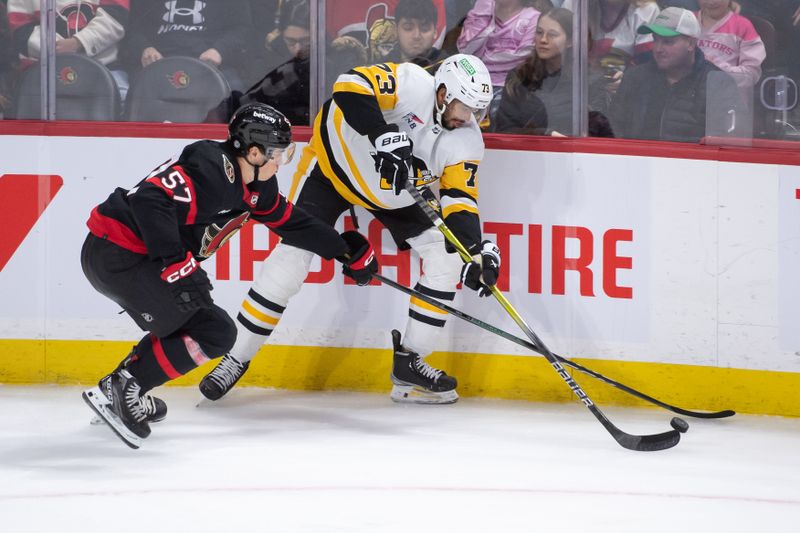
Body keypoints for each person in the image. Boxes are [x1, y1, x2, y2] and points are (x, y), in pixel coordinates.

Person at [199, 54, 502, 406]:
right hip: (330, 170)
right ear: (443, 91)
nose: (469, 119)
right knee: (290, 259)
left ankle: (409, 364)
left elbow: (460, 200)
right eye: (465, 107)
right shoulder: (411, 82)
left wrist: (475, 251)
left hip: (395, 193)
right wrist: (383, 135)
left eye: (477, 111)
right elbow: (348, 85)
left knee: (446, 259)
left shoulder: (467, 141)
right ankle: (236, 357)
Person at [81, 103, 378, 448]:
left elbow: (291, 222)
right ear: (254, 152)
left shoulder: (256, 187)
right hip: (119, 254)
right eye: (278, 153)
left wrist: (342, 249)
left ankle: (120, 386)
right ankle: (124, 386)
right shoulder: (209, 166)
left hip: (128, 257)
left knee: (204, 328)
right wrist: (174, 261)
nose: (282, 161)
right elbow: (150, 199)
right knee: (213, 331)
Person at [609, 6, 740, 142]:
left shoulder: (718, 83)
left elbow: (726, 143)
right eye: (656, 40)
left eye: (668, 42)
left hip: (694, 162)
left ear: (690, 43)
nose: (658, 49)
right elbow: (615, 130)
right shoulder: (635, 78)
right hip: (638, 160)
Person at [492, 7, 610, 135]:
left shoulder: (589, 80)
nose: (543, 40)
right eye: (539, 32)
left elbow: (598, 131)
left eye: (552, 35)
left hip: (572, 152)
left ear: (570, 41)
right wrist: (545, 134)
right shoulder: (519, 77)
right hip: (526, 152)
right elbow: (504, 129)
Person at [121, 0, 251, 92]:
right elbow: (131, 28)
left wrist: (220, 50)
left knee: (235, 97)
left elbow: (242, 29)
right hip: (156, 63)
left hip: (213, 66)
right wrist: (144, 48)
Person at [7, 0, 130, 96]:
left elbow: (116, 17)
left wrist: (78, 42)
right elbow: (20, 29)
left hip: (106, 67)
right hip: (42, 70)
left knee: (124, 106)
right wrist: (57, 48)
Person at [457, 0, 541, 92]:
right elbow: (466, 50)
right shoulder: (483, 9)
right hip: (469, 78)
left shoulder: (533, 17)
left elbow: (522, 58)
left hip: (506, 86)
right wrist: (484, 13)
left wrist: (481, 59)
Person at [696, 0, 766, 92]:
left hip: (729, 96)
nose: (711, 2)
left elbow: (751, 74)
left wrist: (717, 69)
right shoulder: (685, 21)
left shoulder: (743, 26)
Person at [388, 0, 443, 67]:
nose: (416, 36)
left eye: (424, 29)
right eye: (408, 27)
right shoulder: (380, 70)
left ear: (435, 32)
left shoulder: (449, 67)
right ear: (396, 31)